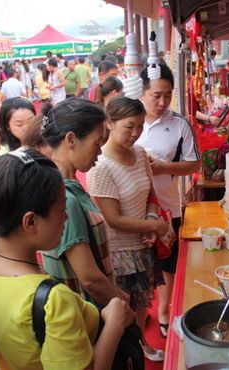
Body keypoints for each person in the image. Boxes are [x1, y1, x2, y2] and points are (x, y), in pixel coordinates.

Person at [0, 149, 134, 369]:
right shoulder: (54, 301)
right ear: (31, 222)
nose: (66, 217)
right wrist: (114, 323)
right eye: (62, 209)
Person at [87, 96, 169, 362]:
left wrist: (150, 219)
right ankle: (127, 355)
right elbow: (114, 219)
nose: (135, 133)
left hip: (143, 244)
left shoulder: (141, 154)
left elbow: (150, 196)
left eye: (140, 126)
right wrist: (154, 225)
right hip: (120, 252)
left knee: (144, 303)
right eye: (129, 126)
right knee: (124, 310)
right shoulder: (101, 167)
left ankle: (142, 345)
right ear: (109, 123)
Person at [40, 98, 128, 308]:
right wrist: (121, 304)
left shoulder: (60, 186)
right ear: (70, 140)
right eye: (96, 143)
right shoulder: (65, 199)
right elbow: (90, 279)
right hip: (89, 311)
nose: (99, 153)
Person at [136, 63, 201, 338]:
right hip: (132, 210)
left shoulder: (179, 125)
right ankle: (138, 319)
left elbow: (194, 164)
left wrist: (163, 167)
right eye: (156, 95)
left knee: (167, 262)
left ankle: (164, 309)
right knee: (139, 266)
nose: (162, 102)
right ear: (142, 93)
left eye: (168, 95)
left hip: (167, 207)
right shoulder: (128, 122)